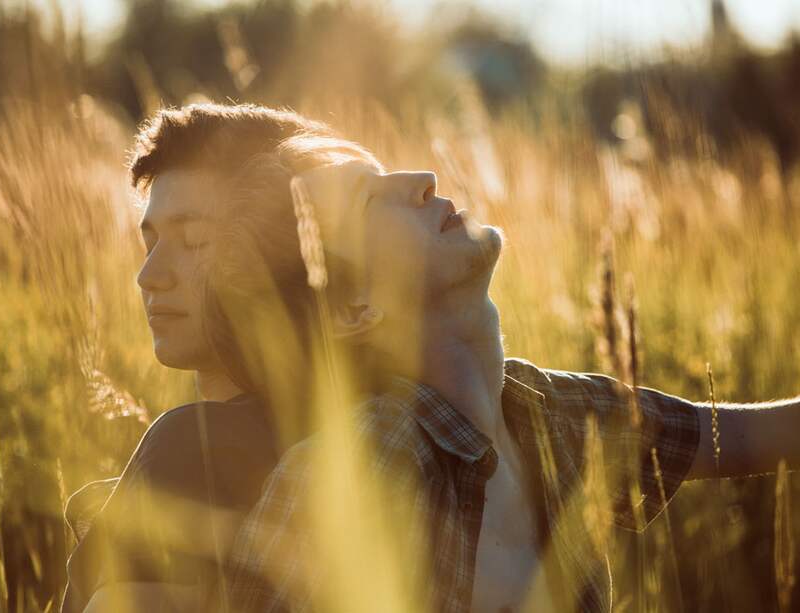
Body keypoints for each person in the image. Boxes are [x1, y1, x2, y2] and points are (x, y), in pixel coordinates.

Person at [193, 124, 800, 613]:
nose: (423, 179)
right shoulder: (355, 468)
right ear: (354, 309)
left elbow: (754, 436)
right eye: (369, 199)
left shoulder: (555, 416)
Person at [60, 103, 338, 613]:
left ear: (281, 250)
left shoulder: (196, 447)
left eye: (193, 241)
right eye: (149, 243)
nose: (149, 276)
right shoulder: (364, 432)